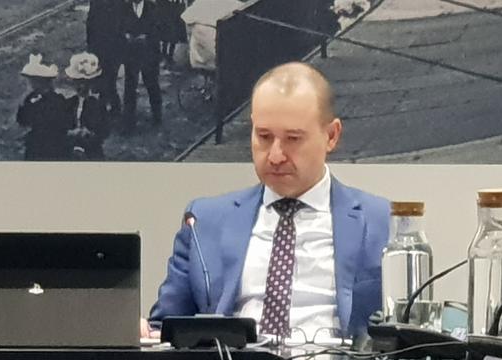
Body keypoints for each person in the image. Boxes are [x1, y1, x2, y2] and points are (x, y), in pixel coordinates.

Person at [142, 62, 390, 340]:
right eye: (264, 136)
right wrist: (147, 332)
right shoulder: (203, 220)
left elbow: (404, 333)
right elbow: (165, 328)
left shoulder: (380, 221)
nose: (274, 155)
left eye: (293, 139)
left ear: (331, 136)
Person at [16, 54, 72, 160]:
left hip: (53, 147)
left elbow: (61, 124)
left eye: (33, 80)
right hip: (35, 146)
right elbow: (22, 120)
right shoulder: (30, 98)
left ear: (42, 81)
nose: (30, 83)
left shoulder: (57, 101)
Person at [121, 0, 163, 130]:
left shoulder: (152, 8)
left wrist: (147, 38)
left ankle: (157, 117)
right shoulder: (124, 8)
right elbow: (119, 27)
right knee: (129, 88)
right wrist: (126, 36)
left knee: (152, 85)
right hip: (131, 55)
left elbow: (158, 30)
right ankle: (128, 122)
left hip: (149, 55)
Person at [64, 52, 110, 160]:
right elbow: (62, 124)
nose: (81, 86)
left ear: (91, 83)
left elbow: (105, 130)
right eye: (78, 82)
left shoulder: (97, 104)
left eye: (85, 83)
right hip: (70, 147)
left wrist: (90, 133)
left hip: (91, 149)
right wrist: (70, 132)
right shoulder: (70, 102)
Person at [86, 0, 126, 117]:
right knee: (103, 78)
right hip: (101, 47)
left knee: (109, 79)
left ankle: (112, 107)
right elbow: (90, 23)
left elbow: (122, 23)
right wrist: (90, 46)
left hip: (113, 47)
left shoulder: (118, 3)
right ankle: (108, 107)